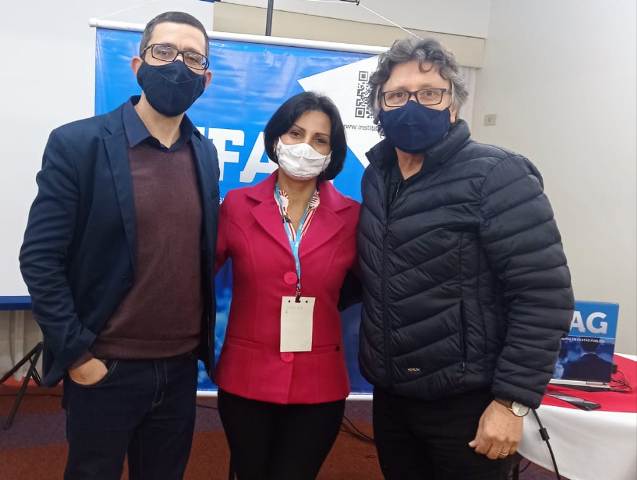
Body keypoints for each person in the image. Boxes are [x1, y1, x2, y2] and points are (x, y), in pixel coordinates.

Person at [357, 37, 575, 479]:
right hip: (393, 398)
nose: (412, 106)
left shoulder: (498, 174)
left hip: (468, 405)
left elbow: (543, 295)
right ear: (379, 107)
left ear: (453, 105)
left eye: (429, 93)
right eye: (397, 95)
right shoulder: (377, 177)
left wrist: (512, 402)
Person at [19, 11, 219, 480]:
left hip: (179, 370)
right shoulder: (78, 144)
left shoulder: (204, 153)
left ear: (206, 79)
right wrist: (78, 356)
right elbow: (40, 258)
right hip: (104, 367)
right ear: (137, 64)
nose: (178, 65)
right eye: (164, 52)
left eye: (193, 58)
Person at [214, 92, 359, 480]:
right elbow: (196, 276)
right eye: (295, 133)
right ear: (277, 137)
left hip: (320, 384)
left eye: (319, 139)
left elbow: (371, 285)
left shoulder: (353, 217)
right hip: (245, 378)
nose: (305, 147)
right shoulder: (237, 206)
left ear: (332, 153)